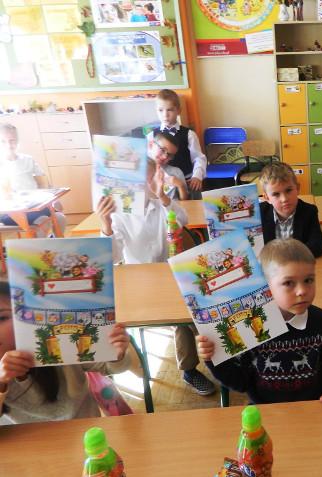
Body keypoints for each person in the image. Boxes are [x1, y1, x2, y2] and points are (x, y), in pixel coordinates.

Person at [98, 160, 215, 396]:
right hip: (140, 285)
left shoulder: (160, 203)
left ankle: (219, 351)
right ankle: (190, 369)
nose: (144, 184)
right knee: (183, 318)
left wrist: (162, 196)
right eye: (138, 178)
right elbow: (112, 256)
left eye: (149, 177)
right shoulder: (119, 215)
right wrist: (106, 224)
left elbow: (182, 220)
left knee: (199, 303)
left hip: (172, 275)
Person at [197, 239, 322, 404]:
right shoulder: (252, 328)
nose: (302, 291)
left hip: (316, 409)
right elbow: (240, 381)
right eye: (288, 283)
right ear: (266, 287)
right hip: (265, 411)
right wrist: (214, 357)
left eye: (308, 280)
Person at [0, 281, 132, 424]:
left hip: (87, 425)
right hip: (34, 437)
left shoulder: (58, 342)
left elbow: (110, 367)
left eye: (2, 318)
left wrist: (115, 353)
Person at [0, 123, 67, 237]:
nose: (8, 145)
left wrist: (55, 200)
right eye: (3, 141)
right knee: (42, 222)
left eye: (12, 141)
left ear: (17, 141)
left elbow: (45, 183)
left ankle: (54, 243)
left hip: (35, 206)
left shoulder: (27, 160)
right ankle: (42, 247)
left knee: (60, 218)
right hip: (12, 212)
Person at [146, 89, 206, 200]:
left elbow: (198, 158)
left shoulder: (189, 134)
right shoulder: (151, 136)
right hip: (162, 183)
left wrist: (197, 176)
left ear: (179, 110)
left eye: (170, 110)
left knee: (190, 208)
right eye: (160, 110)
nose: (165, 115)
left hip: (188, 181)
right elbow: (148, 160)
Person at [260, 162, 322, 258]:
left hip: (298, 265)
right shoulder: (259, 213)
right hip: (269, 266)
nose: (284, 199)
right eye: (276, 194)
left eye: (288, 190)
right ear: (267, 198)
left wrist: (285, 255)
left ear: (297, 188)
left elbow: (317, 247)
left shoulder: (309, 211)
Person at [149, 130, 189, 200]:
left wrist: (181, 186)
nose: (165, 157)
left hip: (173, 206)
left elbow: (186, 201)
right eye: (162, 150)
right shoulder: (140, 169)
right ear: (151, 145)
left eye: (170, 155)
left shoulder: (176, 172)